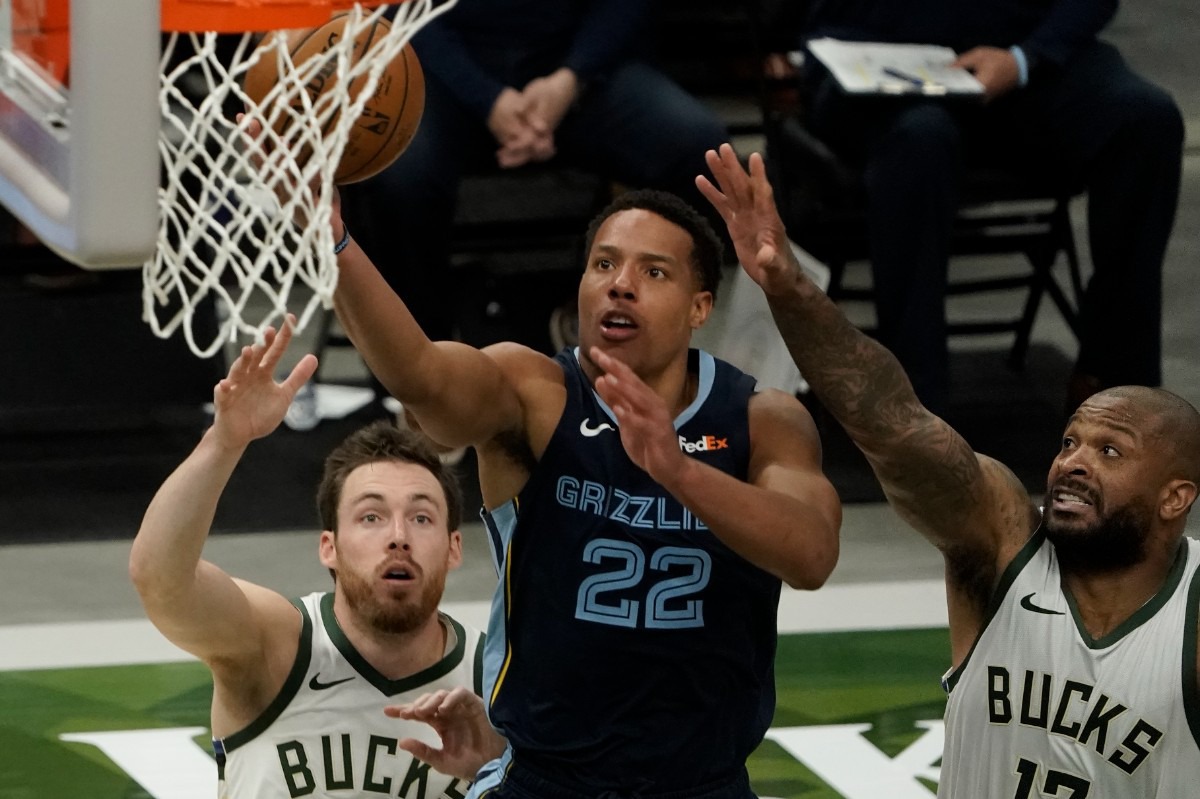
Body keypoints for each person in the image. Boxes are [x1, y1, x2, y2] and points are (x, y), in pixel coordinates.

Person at [699, 143, 1200, 796]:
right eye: (1070, 442)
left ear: (1175, 497)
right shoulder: (1000, 540)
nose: (1073, 463)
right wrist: (790, 287)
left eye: (1110, 451)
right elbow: (890, 418)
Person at [329, 180, 842, 796]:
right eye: (604, 263)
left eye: (653, 272)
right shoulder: (534, 393)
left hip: (703, 783)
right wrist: (334, 243)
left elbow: (812, 556)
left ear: (699, 307)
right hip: (545, 781)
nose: (619, 283)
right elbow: (422, 377)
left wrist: (676, 470)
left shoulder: (762, 420)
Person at [129, 320, 494, 798]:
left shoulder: (498, 680)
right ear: (330, 547)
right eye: (371, 517)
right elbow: (160, 581)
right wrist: (224, 442)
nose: (399, 537)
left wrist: (501, 773)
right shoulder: (274, 647)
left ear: (453, 549)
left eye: (422, 518)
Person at [787, 0, 1184, 413]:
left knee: (1146, 121)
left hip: (1021, 59)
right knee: (920, 143)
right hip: (874, 58)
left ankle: (1114, 381)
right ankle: (916, 403)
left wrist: (1026, 58)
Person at [359, 0, 728, 343]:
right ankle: (420, 360)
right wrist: (487, 98)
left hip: (574, 67)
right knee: (393, 173)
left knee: (701, 148)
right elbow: (399, 9)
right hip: (444, 76)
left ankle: (657, 338)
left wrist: (571, 77)